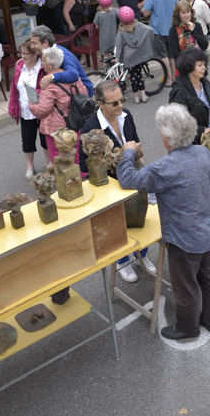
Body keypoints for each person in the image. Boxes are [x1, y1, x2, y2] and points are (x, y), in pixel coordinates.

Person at [116, 103, 210, 340]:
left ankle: (187, 327)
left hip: (182, 240)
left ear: (168, 138)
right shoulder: (202, 153)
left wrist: (128, 151)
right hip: (206, 232)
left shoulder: (164, 167)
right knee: (209, 279)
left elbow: (128, 179)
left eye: (161, 130)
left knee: (186, 287)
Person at [79, 80, 155, 282]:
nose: (120, 105)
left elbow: (135, 141)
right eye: (114, 103)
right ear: (100, 103)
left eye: (122, 100)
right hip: (111, 183)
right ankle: (122, 262)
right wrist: (114, 159)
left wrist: (137, 155)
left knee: (140, 217)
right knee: (116, 224)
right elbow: (83, 166)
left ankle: (142, 255)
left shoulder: (126, 115)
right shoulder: (90, 128)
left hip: (133, 175)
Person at [27, 46, 87, 162]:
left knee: (58, 157)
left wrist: (31, 104)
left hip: (56, 128)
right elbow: (83, 93)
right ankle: (81, 175)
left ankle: (65, 179)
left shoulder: (48, 84)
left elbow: (43, 109)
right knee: (76, 153)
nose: (41, 65)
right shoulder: (74, 77)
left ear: (52, 65)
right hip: (75, 121)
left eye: (43, 62)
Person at [8, 40, 48, 179]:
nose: (23, 56)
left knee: (45, 138)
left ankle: (49, 163)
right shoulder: (19, 66)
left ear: (35, 53)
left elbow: (49, 88)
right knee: (27, 139)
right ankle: (30, 166)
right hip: (25, 110)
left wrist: (36, 91)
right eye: (21, 53)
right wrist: (13, 108)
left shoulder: (43, 67)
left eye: (26, 53)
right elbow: (14, 89)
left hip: (42, 110)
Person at [169, 49, 210, 145]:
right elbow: (178, 123)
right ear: (189, 67)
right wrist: (202, 130)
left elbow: (204, 107)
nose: (204, 68)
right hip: (190, 145)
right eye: (200, 65)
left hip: (207, 141)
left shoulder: (205, 83)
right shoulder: (180, 92)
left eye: (204, 64)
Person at [142, 0, 180, 87]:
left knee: (163, 56)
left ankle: (168, 79)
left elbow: (146, 13)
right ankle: (174, 78)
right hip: (171, 28)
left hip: (158, 30)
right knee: (171, 56)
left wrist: (143, 7)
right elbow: (177, 9)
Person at [29, 25, 94, 96]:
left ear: (45, 43)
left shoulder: (63, 55)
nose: (32, 46)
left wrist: (51, 77)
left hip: (82, 98)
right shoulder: (47, 52)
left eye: (34, 43)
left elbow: (73, 74)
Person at [114, 7, 156, 104]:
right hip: (139, 56)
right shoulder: (138, 25)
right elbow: (149, 30)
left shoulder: (121, 31)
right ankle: (144, 95)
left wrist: (118, 58)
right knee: (139, 75)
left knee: (133, 77)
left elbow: (119, 46)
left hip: (129, 58)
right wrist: (146, 43)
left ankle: (136, 97)